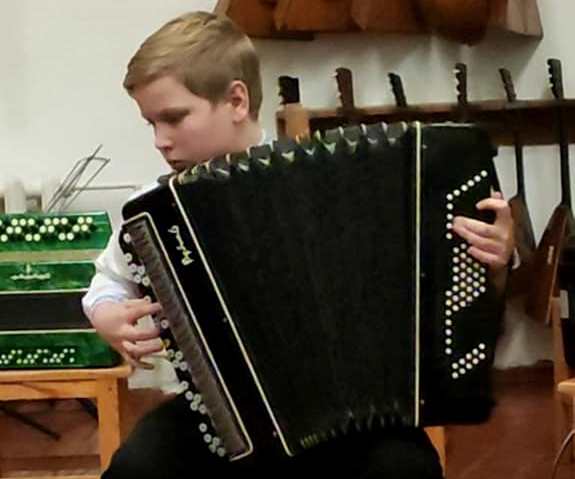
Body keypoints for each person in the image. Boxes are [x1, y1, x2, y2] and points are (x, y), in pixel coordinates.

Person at [83, 10, 515, 479]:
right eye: (150, 123)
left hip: (354, 416)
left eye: (173, 118)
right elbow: (107, 281)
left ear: (236, 100)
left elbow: (448, 281)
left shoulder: (344, 181)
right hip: (222, 416)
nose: (160, 141)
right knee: (137, 468)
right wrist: (107, 315)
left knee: (403, 470)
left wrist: (492, 261)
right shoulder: (157, 210)